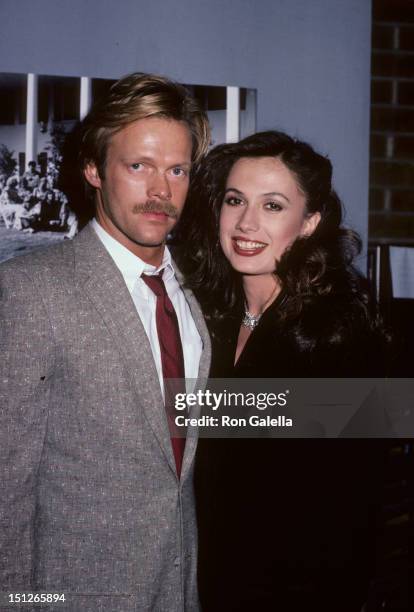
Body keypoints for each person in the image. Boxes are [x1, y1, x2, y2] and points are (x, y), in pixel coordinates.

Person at [0, 72, 211, 611]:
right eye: (139, 166)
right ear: (94, 169)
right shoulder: (33, 290)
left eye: (177, 170)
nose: (162, 191)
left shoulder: (195, 293)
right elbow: (7, 487)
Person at [177, 131, 389, 611]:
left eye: (273, 206)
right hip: (209, 578)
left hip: (296, 589)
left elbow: (351, 507)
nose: (246, 222)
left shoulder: (340, 330)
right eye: (235, 200)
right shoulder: (211, 314)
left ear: (310, 221)